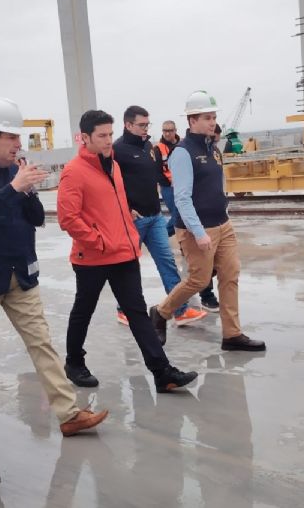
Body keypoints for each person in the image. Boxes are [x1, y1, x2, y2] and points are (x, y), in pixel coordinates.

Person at [0, 97, 108, 436]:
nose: (19, 144)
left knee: (41, 342)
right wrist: (12, 189)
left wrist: (28, 191)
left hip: (20, 274)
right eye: (11, 137)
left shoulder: (15, 170)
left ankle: (68, 414)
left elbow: (36, 219)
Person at [57, 109, 198, 392]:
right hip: (92, 258)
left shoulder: (114, 166)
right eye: (102, 136)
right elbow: (68, 218)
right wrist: (99, 242)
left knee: (137, 313)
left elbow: (122, 208)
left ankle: (162, 372)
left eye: (110, 134)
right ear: (85, 138)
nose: (109, 140)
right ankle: (74, 362)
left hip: (123, 253)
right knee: (83, 310)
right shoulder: (74, 171)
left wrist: (130, 237)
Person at [149, 91, 266, 352]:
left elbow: (218, 184)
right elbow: (181, 198)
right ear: (192, 120)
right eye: (207, 117)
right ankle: (161, 311)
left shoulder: (212, 148)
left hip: (223, 224)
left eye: (214, 117)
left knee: (230, 275)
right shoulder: (182, 153)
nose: (213, 122)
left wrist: (225, 209)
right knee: (199, 280)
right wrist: (199, 232)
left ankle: (232, 334)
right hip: (197, 230)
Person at [112, 105, 206, 327]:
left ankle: (180, 310)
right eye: (141, 125)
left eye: (147, 125)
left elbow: (154, 177)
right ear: (128, 125)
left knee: (167, 262)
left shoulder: (149, 148)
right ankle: (124, 309)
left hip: (155, 217)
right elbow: (109, 185)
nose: (146, 129)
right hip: (132, 221)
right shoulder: (117, 150)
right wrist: (125, 208)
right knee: (128, 268)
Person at [158, 119, 219, 313]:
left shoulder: (211, 150)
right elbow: (159, 172)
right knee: (197, 276)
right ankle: (164, 311)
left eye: (170, 130)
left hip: (212, 218)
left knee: (229, 269)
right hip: (172, 188)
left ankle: (232, 330)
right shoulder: (174, 149)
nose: (167, 133)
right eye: (165, 130)